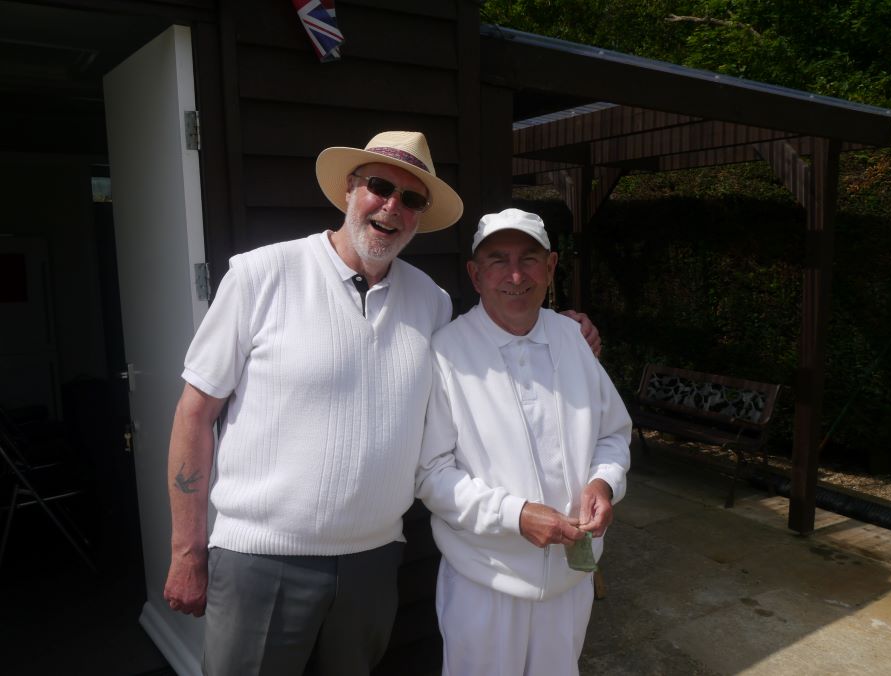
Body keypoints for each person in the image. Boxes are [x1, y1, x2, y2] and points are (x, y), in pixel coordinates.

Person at [162, 132, 601, 675]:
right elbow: (195, 413)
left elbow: (493, 340)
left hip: (371, 564)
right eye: (380, 186)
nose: (392, 206)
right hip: (262, 559)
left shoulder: (431, 302)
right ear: (350, 189)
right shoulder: (261, 275)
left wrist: (564, 328)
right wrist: (187, 551)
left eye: (411, 198)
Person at [416, 208, 632, 676]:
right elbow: (431, 475)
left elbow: (613, 434)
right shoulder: (445, 352)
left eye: (529, 259)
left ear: (551, 268)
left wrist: (604, 483)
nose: (516, 276)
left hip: (571, 582)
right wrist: (515, 515)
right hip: (486, 583)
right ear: (475, 275)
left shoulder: (573, 339)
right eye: (498, 260)